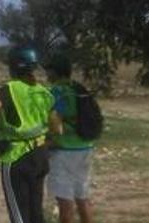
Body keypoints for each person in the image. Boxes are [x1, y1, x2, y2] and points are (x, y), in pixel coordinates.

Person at [0, 46, 63, 223]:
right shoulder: (44, 92)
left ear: (14, 68)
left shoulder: (10, 89)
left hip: (16, 157)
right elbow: (58, 129)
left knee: (19, 213)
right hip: (40, 156)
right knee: (36, 211)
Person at [44, 54, 95, 223]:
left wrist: (49, 141)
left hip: (65, 151)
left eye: (48, 70)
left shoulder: (58, 91)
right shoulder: (79, 88)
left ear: (55, 72)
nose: (46, 74)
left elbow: (55, 121)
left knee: (65, 202)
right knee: (83, 197)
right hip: (85, 147)